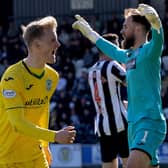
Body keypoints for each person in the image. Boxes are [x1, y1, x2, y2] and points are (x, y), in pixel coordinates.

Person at [72, 3, 167, 168]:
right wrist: (90, 33)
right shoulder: (128, 56)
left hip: (149, 122)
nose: (122, 31)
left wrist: (155, 21)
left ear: (137, 28)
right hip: (132, 125)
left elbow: (158, 37)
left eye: (125, 26)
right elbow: (111, 50)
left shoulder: (150, 50)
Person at [0, 16, 76, 168]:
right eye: (52, 40)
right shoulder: (12, 77)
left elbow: (42, 110)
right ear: (36, 45)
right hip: (10, 158)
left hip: (36, 154)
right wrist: (54, 136)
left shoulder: (52, 76)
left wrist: (45, 144)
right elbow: (18, 124)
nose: (58, 44)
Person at [88, 33, 129, 168]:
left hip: (102, 126)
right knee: (131, 163)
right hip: (120, 124)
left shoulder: (92, 70)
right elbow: (132, 82)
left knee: (108, 165)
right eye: (116, 47)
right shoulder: (112, 65)